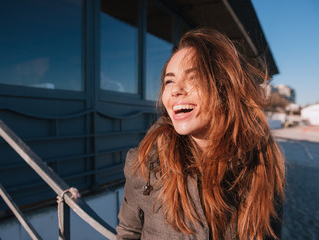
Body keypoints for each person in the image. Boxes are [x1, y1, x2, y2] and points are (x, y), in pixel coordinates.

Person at [116, 29, 285, 240]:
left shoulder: (261, 164)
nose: (176, 90)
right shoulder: (144, 162)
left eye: (193, 78)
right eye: (169, 81)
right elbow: (128, 232)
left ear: (226, 88)